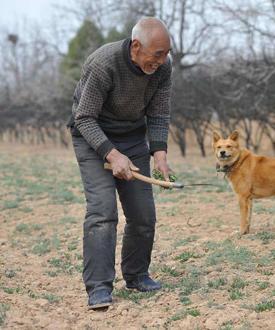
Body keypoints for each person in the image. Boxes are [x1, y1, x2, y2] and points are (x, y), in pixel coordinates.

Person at [67, 17, 172, 310]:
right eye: (157, 55)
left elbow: (160, 112)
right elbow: (84, 117)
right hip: (91, 136)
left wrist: (159, 153)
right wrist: (112, 155)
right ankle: (99, 287)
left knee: (143, 214)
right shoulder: (104, 63)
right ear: (136, 47)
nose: (162, 61)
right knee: (103, 211)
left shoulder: (163, 68)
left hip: (133, 139)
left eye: (166, 54)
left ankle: (137, 275)